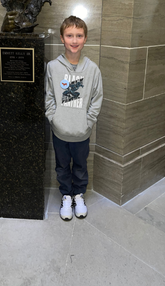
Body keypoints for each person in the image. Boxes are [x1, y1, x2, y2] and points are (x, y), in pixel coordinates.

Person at [45, 15, 103, 221]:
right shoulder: (53, 67)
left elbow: (97, 98)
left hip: (81, 131)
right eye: (70, 35)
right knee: (62, 166)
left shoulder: (92, 69)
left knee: (80, 166)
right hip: (60, 130)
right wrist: (54, 118)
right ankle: (66, 197)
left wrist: (88, 121)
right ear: (62, 38)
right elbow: (49, 95)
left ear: (85, 38)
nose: (74, 40)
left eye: (79, 35)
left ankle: (78, 195)